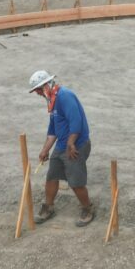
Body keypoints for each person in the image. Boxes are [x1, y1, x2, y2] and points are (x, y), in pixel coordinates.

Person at [28, 70, 94, 226]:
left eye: (38, 89)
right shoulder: (51, 100)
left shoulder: (64, 96)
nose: (37, 93)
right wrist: (45, 150)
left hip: (76, 145)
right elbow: (53, 130)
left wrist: (71, 144)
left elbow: (76, 121)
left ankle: (88, 208)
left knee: (76, 181)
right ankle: (48, 207)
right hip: (63, 145)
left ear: (46, 85)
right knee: (52, 176)